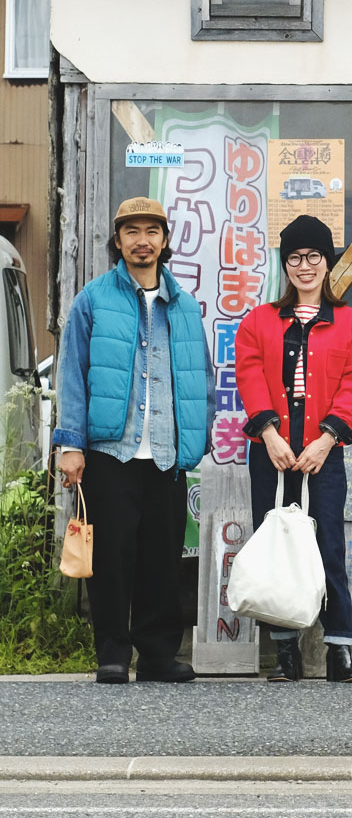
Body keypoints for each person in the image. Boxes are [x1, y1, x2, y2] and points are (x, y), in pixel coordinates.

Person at [54, 197, 215, 685]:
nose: (142, 241)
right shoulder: (93, 299)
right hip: (110, 451)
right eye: (132, 232)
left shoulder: (184, 306)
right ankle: (112, 653)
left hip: (166, 453)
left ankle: (158, 655)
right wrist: (70, 443)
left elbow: (202, 378)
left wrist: (197, 437)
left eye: (151, 231)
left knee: (161, 558)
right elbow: (72, 373)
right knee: (111, 557)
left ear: (164, 241)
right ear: (118, 240)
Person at [235, 214, 352, 683]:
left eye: (314, 256)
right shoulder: (258, 321)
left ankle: (340, 651)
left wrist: (326, 439)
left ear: (327, 262)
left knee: (328, 543)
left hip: (323, 451)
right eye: (295, 257)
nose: (305, 265)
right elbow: (249, 376)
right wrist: (269, 435)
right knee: (276, 545)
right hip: (271, 450)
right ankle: (285, 653)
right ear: (285, 265)